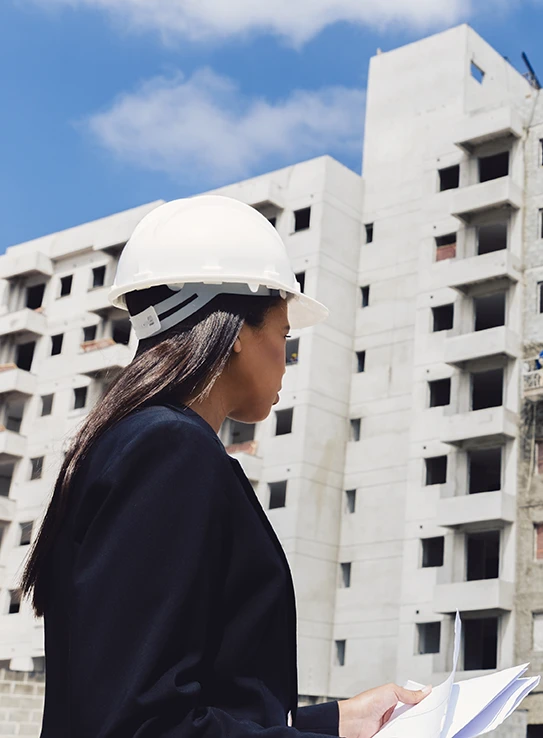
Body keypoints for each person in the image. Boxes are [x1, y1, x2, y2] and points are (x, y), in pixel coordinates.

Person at [21, 196, 428, 737]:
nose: (288, 357)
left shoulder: (137, 442)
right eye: (285, 335)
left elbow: (161, 704)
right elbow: (139, 727)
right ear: (237, 330)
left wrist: (337, 723)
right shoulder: (169, 452)